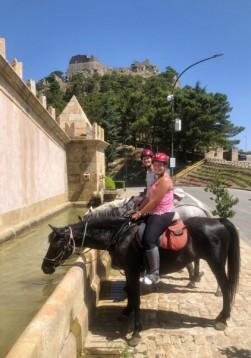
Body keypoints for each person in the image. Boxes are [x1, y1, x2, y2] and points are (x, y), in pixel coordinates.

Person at [131, 152, 176, 285]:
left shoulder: (166, 180)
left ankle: (155, 273)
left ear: (165, 166)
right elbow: (147, 198)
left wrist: (140, 214)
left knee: (149, 239)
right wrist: (137, 210)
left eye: (160, 165)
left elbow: (155, 201)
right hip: (153, 212)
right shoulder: (156, 178)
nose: (156, 167)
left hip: (163, 213)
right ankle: (142, 267)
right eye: (155, 164)